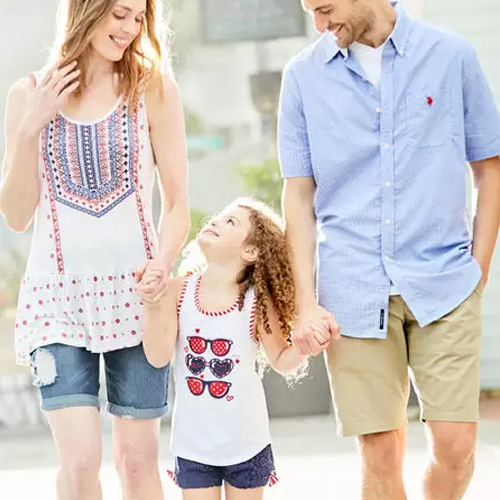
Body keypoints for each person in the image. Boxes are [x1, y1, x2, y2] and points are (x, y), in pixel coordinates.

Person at [278, 1, 500, 499]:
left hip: (445, 282)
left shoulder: (451, 56)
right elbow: (299, 194)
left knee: (456, 447)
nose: (319, 25)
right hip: (351, 285)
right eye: (310, 12)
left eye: (325, 8)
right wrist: (306, 303)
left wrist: (478, 272)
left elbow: (490, 166)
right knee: (380, 452)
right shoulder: (302, 76)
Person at [0, 0, 189, 498]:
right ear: (87, 8)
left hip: (137, 299)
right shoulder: (27, 94)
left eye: (138, 18)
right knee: (81, 462)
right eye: (119, 14)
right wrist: (30, 127)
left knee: (137, 462)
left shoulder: (153, 90)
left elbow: (177, 205)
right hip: (56, 301)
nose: (129, 28)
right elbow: (16, 215)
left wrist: (163, 263)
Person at [136, 198, 333, 500]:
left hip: (246, 444)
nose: (216, 221)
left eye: (231, 222)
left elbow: (281, 359)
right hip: (193, 446)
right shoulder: (177, 290)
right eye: (219, 216)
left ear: (250, 251)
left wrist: (305, 347)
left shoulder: (257, 301)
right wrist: (151, 303)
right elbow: (157, 356)